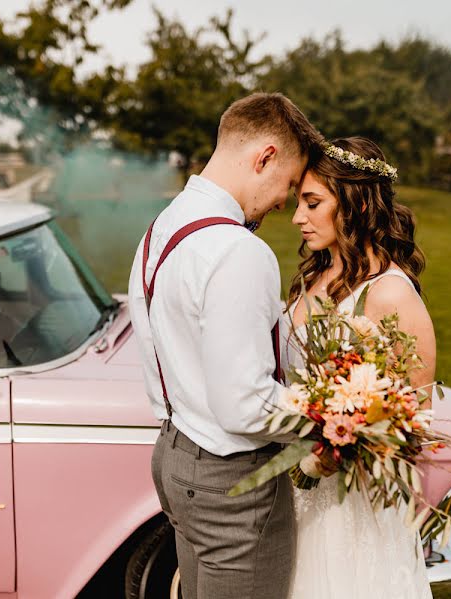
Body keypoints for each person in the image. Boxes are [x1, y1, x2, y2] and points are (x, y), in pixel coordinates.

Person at [127, 92, 322, 599]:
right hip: (232, 481)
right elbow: (245, 407)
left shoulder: (159, 230)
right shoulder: (238, 251)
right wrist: (336, 418)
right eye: (288, 184)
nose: (283, 203)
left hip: (174, 452)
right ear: (265, 157)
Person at [283, 136, 436, 599]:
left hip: (353, 502)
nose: (297, 218)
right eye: (298, 203)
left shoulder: (390, 294)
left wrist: (342, 442)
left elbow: (415, 421)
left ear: (355, 203)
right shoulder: (314, 275)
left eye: (312, 203)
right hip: (294, 485)